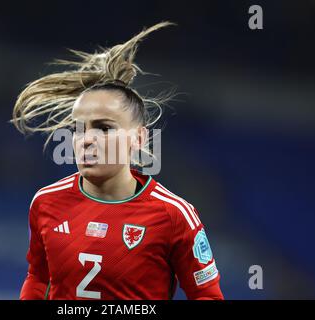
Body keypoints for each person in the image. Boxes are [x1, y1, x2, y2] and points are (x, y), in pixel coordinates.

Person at [12, 21, 223, 300]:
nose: (86, 139)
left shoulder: (174, 215)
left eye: (104, 128)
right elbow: (37, 277)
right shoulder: (46, 202)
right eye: (78, 129)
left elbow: (206, 295)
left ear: (138, 139)